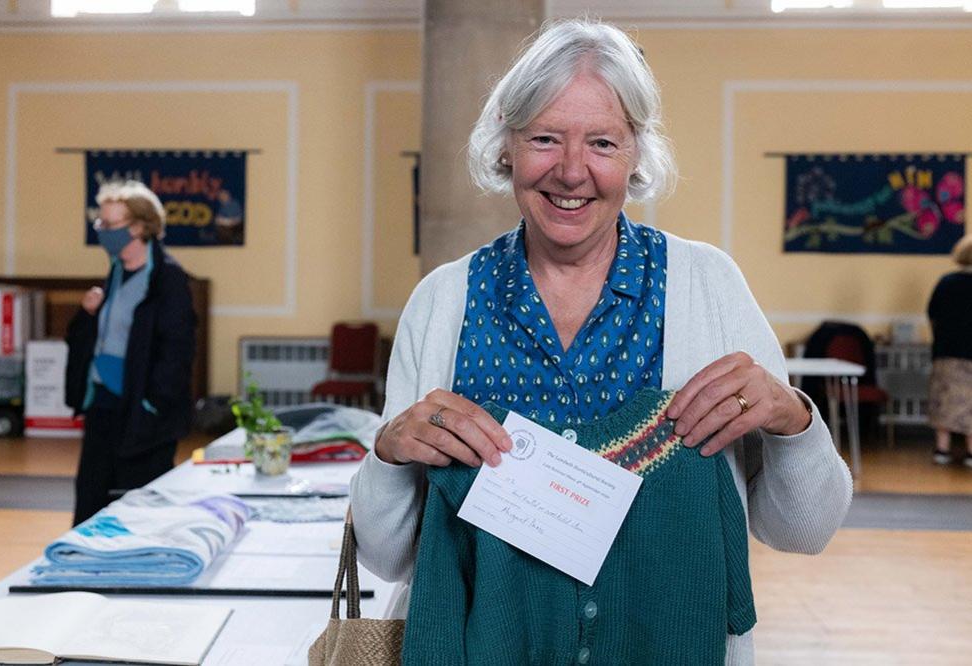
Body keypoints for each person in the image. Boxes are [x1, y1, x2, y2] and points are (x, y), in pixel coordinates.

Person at [350, 19, 852, 664]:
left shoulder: (707, 287)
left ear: (637, 152)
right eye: (544, 139)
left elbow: (804, 533)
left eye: (603, 143)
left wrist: (794, 422)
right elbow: (390, 560)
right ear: (507, 146)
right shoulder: (443, 301)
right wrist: (390, 458)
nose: (571, 171)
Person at [65, 180, 196, 526]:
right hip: (104, 408)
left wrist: (152, 404)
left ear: (139, 227)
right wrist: (87, 314)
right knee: (90, 507)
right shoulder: (116, 272)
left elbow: (177, 352)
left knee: (137, 515)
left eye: (111, 225)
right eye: (101, 224)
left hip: (143, 416)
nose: (103, 232)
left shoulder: (168, 279)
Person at [927, 234, 972, 468]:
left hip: (947, 351)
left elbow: (933, 315)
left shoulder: (947, 282)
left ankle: (942, 449)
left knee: (944, 402)